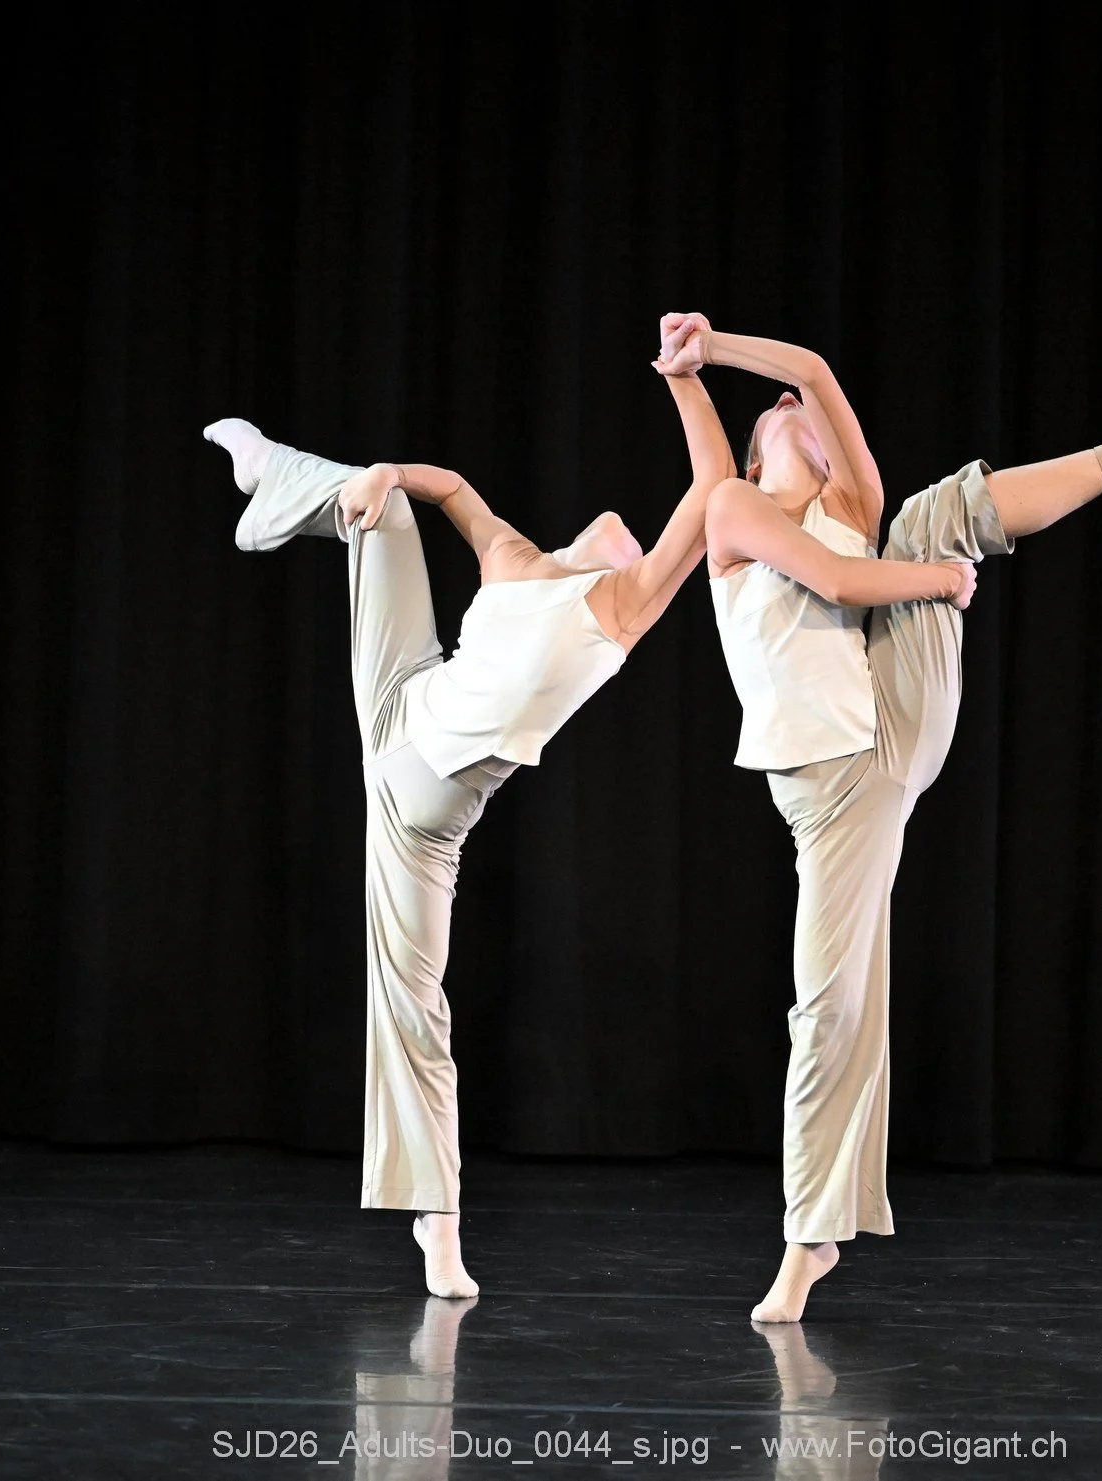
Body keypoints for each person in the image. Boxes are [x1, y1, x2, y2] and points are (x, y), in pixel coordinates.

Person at [653, 312, 1102, 1322]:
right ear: (751, 449)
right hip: (827, 791)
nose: (794, 407)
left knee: (926, 513)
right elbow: (835, 577)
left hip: (878, 738)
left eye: (810, 417)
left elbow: (814, 372)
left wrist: (722, 347)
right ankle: (820, 1227)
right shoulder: (736, 510)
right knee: (834, 1004)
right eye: (777, 410)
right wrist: (685, 371)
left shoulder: (852, 503)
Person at [203, 359, 735, 1299]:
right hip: (400, 697)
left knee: (415, 1009)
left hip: (424, 812)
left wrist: (685, 378)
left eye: (629, 538)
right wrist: (389, 475)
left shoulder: (618, 608)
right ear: (577, 539)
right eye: (611, 525)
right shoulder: (515, 558)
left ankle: (438, 1227)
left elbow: (712, 490)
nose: (621, 530)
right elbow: (449, 488)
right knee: (385, 508)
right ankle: (276, 481)